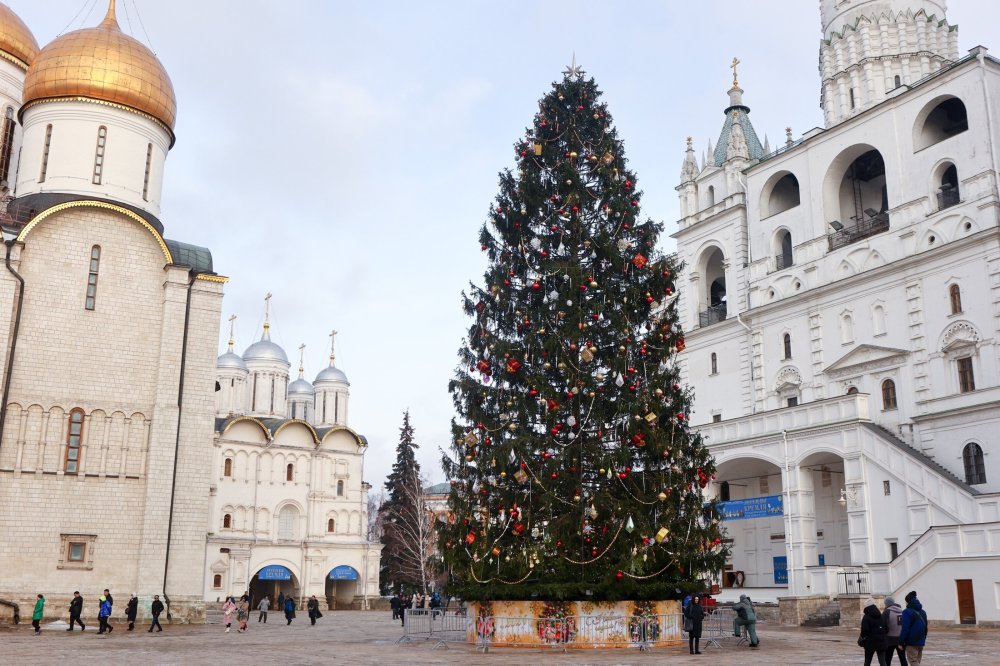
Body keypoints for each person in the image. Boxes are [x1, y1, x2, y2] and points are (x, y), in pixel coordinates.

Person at [899, 591, 928, 666]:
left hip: (911, 642)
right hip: (921, 641)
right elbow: (926, 628)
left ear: (908, 602)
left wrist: (901, 642)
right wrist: (923, 639)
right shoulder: (923, 612)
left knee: (913, 661)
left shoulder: (907, 612)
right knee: (917, 661)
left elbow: (905, 628)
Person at [859, 598, 888, 666]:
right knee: (882, 662)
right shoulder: (880, 616)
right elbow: (886, 628)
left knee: (867, 661)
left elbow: (864, 630)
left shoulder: (866, 617)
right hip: (881, 641)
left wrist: (862, 637)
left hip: (870, 642)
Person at [882, 596, 907, 666]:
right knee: (903, 658)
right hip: (901, 639)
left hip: (890, 639)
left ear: (886, 603)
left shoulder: (886, 612)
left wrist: (886, 634)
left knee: (887, 659)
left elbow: (883, 625)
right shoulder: (902, 611)